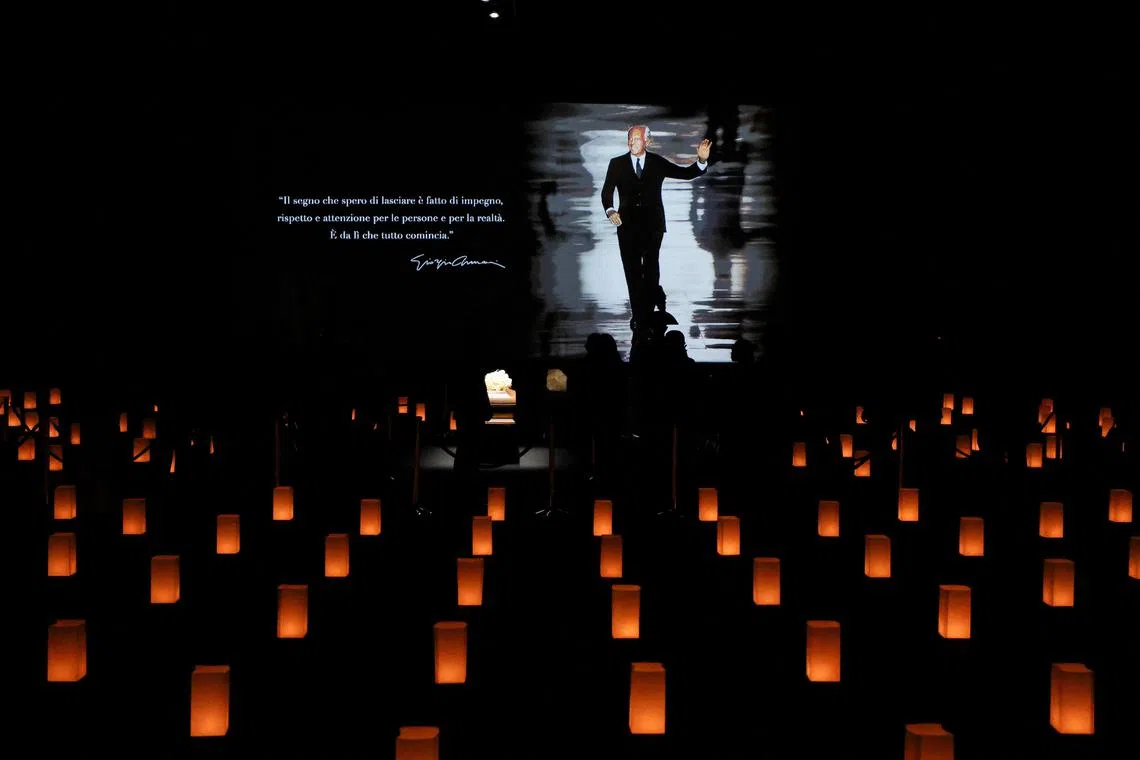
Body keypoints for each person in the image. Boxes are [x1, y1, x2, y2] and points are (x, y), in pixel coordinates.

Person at [601, 125, 711, 333]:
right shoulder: (616, 164)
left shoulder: (656, 163)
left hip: (653, 227)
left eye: (637, 139)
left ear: (647, 142)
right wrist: (610, 210)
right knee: (632, 271)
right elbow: (606, 192)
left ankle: (648, 312)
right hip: (627, 228)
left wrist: (701, 161)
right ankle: (639, 315)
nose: (633, 143)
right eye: (630, 139)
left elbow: (686, 173)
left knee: (651, 269)